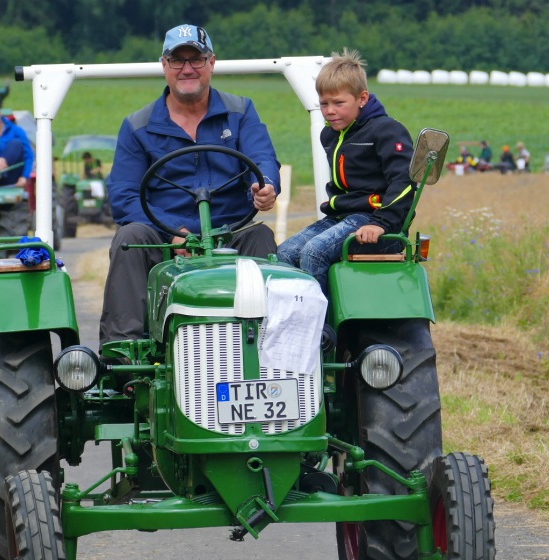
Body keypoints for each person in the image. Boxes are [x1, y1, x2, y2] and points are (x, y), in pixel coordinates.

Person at [100, 24, 279, 345]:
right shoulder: (138, 126)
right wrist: (170, 234)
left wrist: (264, 185)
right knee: (129, 238)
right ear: (164, 65)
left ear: (211, 63)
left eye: (196, 59)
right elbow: (124, 194)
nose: (187, 69)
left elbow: (262, 156)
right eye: (177, 60)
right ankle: (122, 352)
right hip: (162, 235)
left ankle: (269, 345)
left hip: (229, 230)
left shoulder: (240, 111)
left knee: (261, 236)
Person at [277, 49, 414, 294]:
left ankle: (323, 328)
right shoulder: (330, 135)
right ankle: (295, 320)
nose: (330, 111)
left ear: (362, 98)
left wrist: (381, 223)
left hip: (377, 221)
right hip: (342, 217)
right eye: (324, 104)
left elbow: (404, 181)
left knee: (314, 252)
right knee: (284, 253)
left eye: (339, 103)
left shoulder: (387, 131)